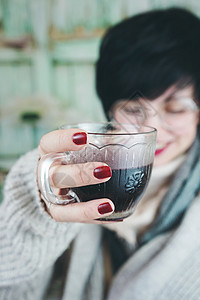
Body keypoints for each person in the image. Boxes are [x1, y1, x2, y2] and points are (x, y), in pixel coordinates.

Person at [1, 7, 200, 300]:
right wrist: (36, 201)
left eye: (177, 107)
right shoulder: (76, 178)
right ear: (110, 112)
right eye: (133, 109)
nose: (153, 126)